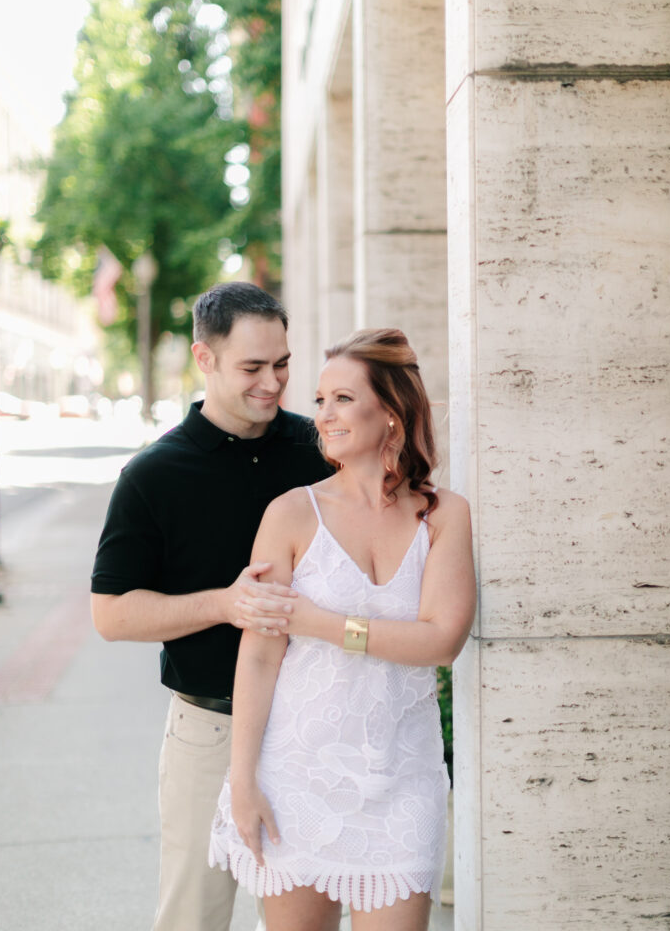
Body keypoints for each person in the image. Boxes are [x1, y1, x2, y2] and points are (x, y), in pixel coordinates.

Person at [209, 328, 477, 931]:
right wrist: (242, 779)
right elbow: (257, 659)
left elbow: (440, 641)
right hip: (295, 776)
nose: (323, 416)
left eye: (343, 400)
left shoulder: (443, 515)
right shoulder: (290, 513)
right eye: (321, 399)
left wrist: (319, 623)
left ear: (392, 413)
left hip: (403, 778)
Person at [90, 282, 333, 931]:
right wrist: (226, 603)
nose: (272, 382)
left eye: (281, 363)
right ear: (204, 357)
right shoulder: (154, 474)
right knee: (194, 916)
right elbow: (112, 614)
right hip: (210, 732)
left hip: (316, 723)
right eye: (252, 367)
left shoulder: (320, 451)